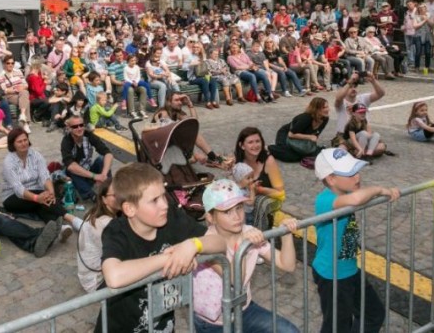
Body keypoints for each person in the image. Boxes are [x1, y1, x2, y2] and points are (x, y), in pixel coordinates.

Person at [95, 162, 226, 332]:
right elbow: (114, 276)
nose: (164, 204)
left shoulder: (172, 217)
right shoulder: (116, 231)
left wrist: (193, 245)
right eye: (154, 200)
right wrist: (170, 258)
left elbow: (220, 242)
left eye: (163, 196)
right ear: (130, 209)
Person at [192, 179, 299, 333]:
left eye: (239, 208)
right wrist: (241, 245)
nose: (237, 216)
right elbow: (237, 280)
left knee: (289, 331)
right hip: (215, 323)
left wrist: (286, 234)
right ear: (211, 217)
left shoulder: (248, 231)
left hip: (244, 309)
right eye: (227, 211)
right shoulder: (209, 243)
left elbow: (286, 264)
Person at [312, 148, 400, 333]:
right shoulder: (325, 200)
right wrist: (380, 189)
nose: (357, 177)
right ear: (331, 179)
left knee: (373, 314)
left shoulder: (343, 195)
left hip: (349, 269)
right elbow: (358, 199)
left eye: (357, 171)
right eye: (350, 173)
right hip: (332, 275)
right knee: (336, 326)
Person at [0, 129, 83, 239]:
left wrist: (51, 192)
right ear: (12, 144)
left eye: (25, 140)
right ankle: (72, 219)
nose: (24, 143)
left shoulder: (35, 155)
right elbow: (18, 189)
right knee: (42, 200)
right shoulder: (9, 162)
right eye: (19, 142)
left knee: (43, 203)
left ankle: (61, 228)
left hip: (37, 194)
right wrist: (36, 197)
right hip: (13, 197)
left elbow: (45, 176)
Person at [153, 91, 229, 168]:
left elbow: (194, 123)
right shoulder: (163, 113)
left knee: (193, 133)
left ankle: (212, 157)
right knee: (192, 137)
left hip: (170, 147)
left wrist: (190, 105)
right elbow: (167, 135)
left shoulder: (176, 112)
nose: (180, 102)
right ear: (169, 102)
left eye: (181, 100)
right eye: (176, 100)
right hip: (160, 150)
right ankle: (212, 158)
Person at [231, 127, 286, 232]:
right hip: (248, 197)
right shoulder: (238, 162)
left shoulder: (269, 161)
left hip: (272, 198)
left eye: (258, 141)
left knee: (259, 202)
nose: (255, 145)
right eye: (250, 142)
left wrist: (259, 190)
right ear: (242, 146)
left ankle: (260, 236)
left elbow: (281, 193)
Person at [77, 179, 120, 293]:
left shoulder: (94, 213)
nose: (121, 197)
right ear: (104, 199)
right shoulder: (107, 224)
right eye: (115, 195)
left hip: (87, 277)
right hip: (97, 283)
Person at [60, 115, 114, 201]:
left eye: (81, 125)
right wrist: (95, 176)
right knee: (71, 170)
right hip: (77, 177)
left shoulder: (89, 135)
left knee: (101, 159)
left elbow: (108, 154)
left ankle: (109, 188)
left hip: (88, 171)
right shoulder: (66, 141)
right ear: (69, 128)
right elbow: (70, 166)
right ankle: (92, 196)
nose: (79, 128)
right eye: (75, 126)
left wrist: (103, 175)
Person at [0, 56, 32, 134]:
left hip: (21, 93)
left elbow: (26, 84)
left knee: (24, 93)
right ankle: (25, 122)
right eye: (8, 63)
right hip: (10, 95)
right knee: (26, 99)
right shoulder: (1, 75)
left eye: (12, 63)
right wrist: (16, 89)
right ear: (4, 64)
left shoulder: (18, 71)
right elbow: (4, 90)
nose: (10, 65)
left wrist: (22, 87)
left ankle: (23, 116)